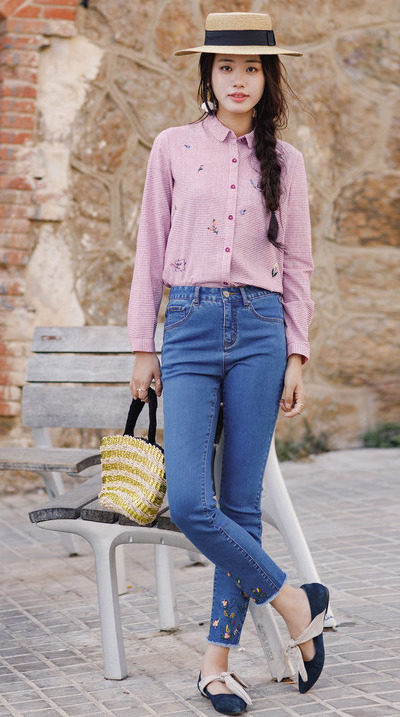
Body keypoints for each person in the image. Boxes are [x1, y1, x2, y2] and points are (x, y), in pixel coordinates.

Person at [127, 11, 329, 716]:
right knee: (192, 501)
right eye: (226, 67)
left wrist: (298, 352)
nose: (238, 79)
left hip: (261, 331)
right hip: (186, 326)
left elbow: (298, 265)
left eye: (252, 68)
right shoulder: (173, 146)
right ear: (207, 74)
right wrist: (142, 345)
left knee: (241, 506)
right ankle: (295, 601)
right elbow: (150, 249)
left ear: (267, 78)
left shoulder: (287, 161)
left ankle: (216, 666)